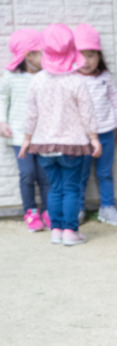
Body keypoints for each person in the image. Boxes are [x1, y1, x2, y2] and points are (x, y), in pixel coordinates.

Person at [20, 23, 100, 246]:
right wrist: (94, 138)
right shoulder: (76, 81)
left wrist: (27, 139)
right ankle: (70, 232)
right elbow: (87, 113)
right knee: (71, 189)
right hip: (72, 145)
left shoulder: (37, 81)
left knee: (55, 188)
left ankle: (56, 230)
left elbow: (30, 113)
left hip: (44, 146)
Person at [73, 23, 117, 226]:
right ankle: (77, 208)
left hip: (106, 133)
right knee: (80, 175)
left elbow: (116, 104)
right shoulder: (71, 79)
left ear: (99, 56)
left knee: (105, 173)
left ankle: (108, 207)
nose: (86, 61)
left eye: (91, 55)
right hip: (81, 137)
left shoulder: (105, 78)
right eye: (81, 55)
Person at [0, 28, 50, 231]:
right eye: (42, 53)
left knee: (45, 175)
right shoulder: (10, 76)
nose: (46, 57)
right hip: (20, 136)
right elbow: (2, 98)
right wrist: (2, 122)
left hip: (44, 136)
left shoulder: (46, 75)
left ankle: (48, 211)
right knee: (27, 174)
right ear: (29, 56)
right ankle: (30, 211)